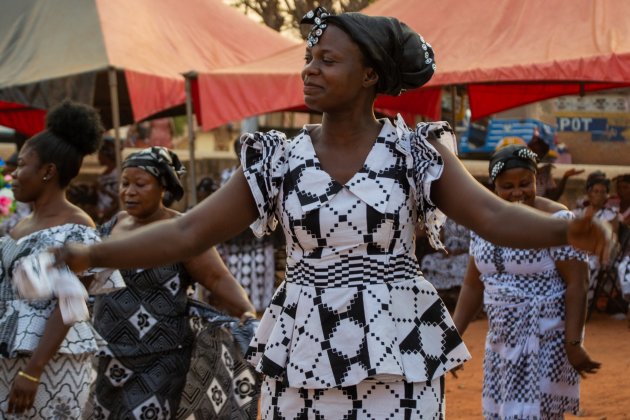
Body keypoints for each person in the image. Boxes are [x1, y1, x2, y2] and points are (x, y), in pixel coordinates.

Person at [53, 7, 614, 419]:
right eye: (308, 59)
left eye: (328, 59)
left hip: (399, 345)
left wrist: (565, 226)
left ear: (370, 75)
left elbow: (494, 218)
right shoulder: (275, 158)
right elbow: (189, 230)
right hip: (303, 341)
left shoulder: (416, 152)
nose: (310, 70)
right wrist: (94, 250)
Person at [88, 146, 257, 419]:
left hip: (160, 358)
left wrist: (245, 311)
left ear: (163, 186)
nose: (129, 192)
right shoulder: (114, 224)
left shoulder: (182, 231)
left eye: (140, 184)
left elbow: (217, 277)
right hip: (109, 353)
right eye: (124, 183)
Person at [452, 145, 600, 419]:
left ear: (536, 179)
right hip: (501, 342)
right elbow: (473, 285)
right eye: (507, 186)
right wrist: (452, 338)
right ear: (493, 186)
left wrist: (573, 343)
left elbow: (578, 284)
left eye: (525, 183)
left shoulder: (557, 221)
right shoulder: (483, 224)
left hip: (546, 339)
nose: (517, 192)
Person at [0, 100, 124, 418]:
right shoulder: (19, 227)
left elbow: (70, 305)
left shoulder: (78, 226)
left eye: (21, 165)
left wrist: (33, 370)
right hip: (9, 356)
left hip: (52, 363)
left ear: (48, 172)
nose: (12, 174)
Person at [217, 138, 278, 314]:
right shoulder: (227, 177)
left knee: (261, 288)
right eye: (240, 149)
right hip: (236, 240)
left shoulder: (265, 174)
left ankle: (256, 326)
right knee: (237, 285)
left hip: (259, 239)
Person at [573, 171, 619, 309]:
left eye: (603, 192)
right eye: (596, 191)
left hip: (601, 255)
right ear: (589, 193)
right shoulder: (579, 212)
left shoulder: (611, 214)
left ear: (607, 195)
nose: (599, 195)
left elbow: (611, 239)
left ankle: (583, 304)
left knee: (589, 265)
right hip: (580, 250)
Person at [94, 136, 120, 224]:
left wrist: (105, 213)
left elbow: (119, 199)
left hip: (111, 217)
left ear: (107, 154)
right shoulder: (106, 173)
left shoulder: (117, 174)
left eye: (99, 153)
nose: (98, 157)